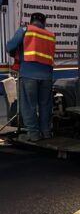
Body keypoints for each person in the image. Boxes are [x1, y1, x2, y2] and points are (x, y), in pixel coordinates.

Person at [6, 12, 55, 141]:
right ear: (44, 22)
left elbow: (9, 46)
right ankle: (46, 132)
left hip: (28, 75)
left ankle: (33, 134)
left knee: (29, 105)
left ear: (31, 21)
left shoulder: (25, 30)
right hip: (47, 77)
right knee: (45, 105)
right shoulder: (50, 35)